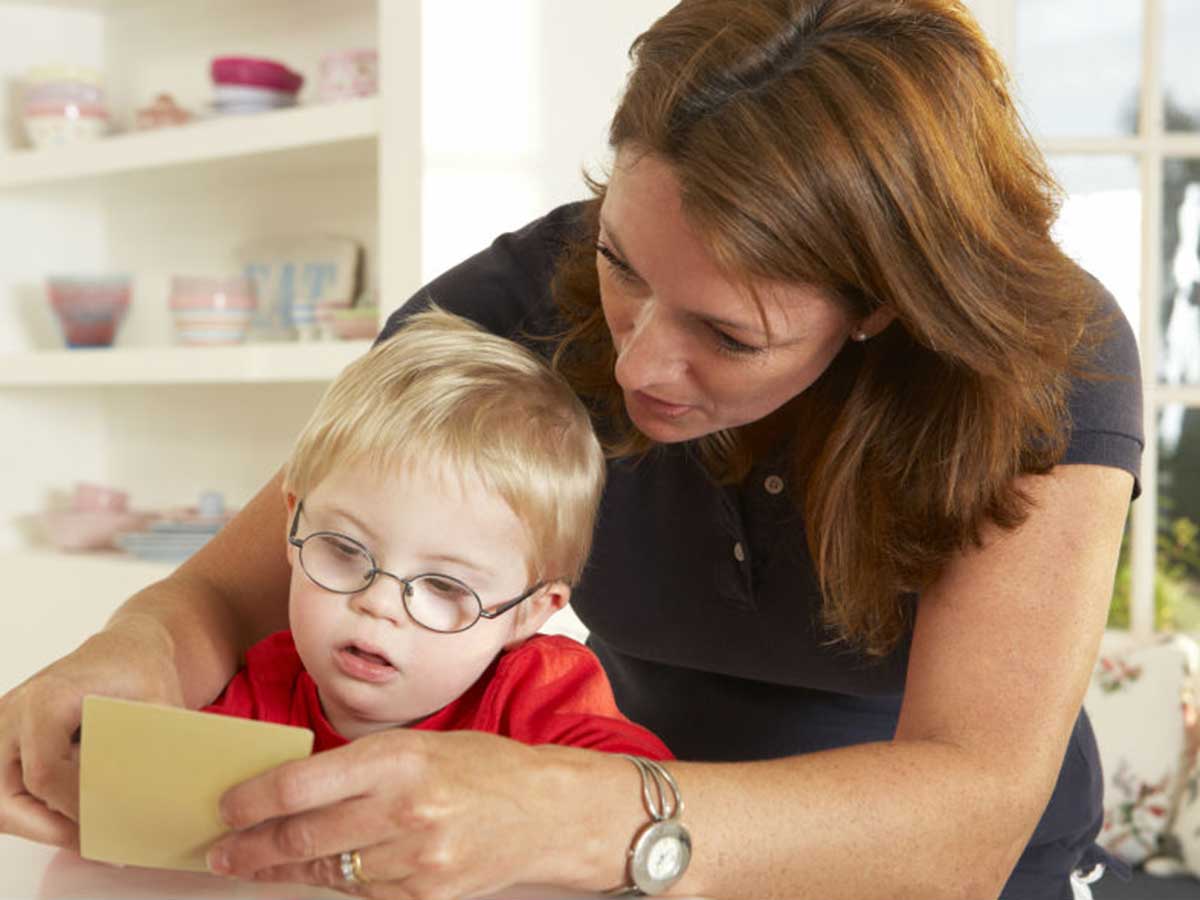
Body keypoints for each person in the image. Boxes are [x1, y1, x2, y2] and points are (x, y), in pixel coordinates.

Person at [0, 2, 1143, 899]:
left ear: (879, 310)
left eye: (728, 334)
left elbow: (964, 829)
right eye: (623, 262)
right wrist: (124, 662)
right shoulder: (510, 308)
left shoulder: (1042, 361)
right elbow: (229, 587)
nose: (639, 361)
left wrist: (576, 814)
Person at [197, 306, 671, 761]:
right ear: (292, 520)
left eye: (444, 585)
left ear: (528, 612)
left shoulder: (539, 694)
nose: (378, 605)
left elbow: (646, 799)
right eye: (344, 550)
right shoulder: (262, 686)